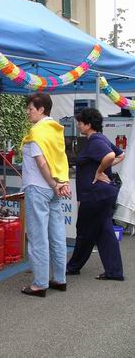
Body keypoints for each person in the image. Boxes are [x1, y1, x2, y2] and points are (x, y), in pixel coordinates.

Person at [20, 93, 71, 297]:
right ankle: (60, 278)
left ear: (41, 109)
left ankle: (40, 283)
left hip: (38, 187)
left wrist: (52, 183)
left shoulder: (37, 131)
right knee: (57, 234)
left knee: (37, 236)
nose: (28, 112)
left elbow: (41, 162)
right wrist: (60, 183)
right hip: (54, 188)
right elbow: (60, 158)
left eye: (30, 108)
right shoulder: (55, 130)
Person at [66, 108, 125, 280]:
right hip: (104, 194)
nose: (78, 125)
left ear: (88, 125)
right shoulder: (102, 138)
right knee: (104, 232)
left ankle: (73, 266)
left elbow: (110, 155)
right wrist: (103, 166)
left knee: (84, 231)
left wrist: (99, 171)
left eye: (80, 122)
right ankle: (114, 272)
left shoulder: (95, 140)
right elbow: (121, 155)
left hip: (95, 195)